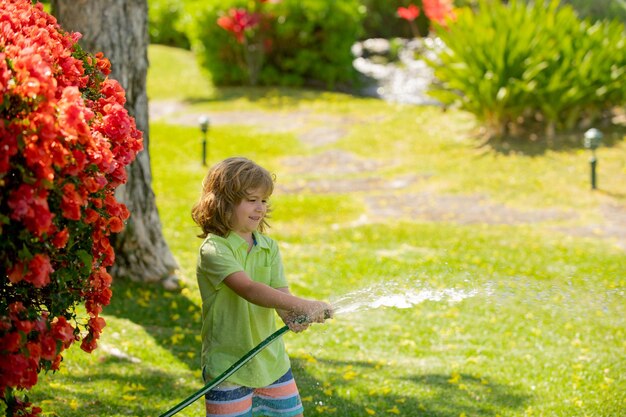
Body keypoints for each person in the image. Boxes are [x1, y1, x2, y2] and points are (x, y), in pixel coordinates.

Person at [191, 157, 332, 417]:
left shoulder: (268, 247)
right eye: (251, 200)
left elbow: (279, 293)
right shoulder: (214, 249)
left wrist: (292, 314)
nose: (260, 208)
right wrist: (304, 304)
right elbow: (249, 289)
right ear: (223, 202)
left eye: (264, 200)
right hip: (228, 368)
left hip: (272, 364)